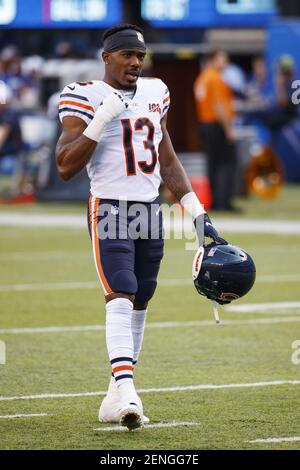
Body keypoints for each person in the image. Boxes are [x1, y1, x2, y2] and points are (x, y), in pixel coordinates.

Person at [56, 24, 221, 430]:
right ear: (106, 57)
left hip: (150, 208)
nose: (134, 62)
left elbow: (167, 160)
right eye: (126, 54)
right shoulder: (84, 95)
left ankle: (116, 395)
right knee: (121, 289)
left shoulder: (156, 91)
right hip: (110, 205)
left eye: (140, 56)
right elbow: (64, 166)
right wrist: (101, 119)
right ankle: (128, 390)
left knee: (143, 295)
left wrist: (198, 216)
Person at [194, 50, 237, 212]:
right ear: (213, 60)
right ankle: (223, 202)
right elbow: (219, 106)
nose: (226, 61)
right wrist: (228, 129)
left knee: (212, 164)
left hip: (205, 124)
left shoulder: (202, 78)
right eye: (222, 58)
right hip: (216, 125)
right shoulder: (215, 78)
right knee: (226, 164)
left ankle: (214, 201)